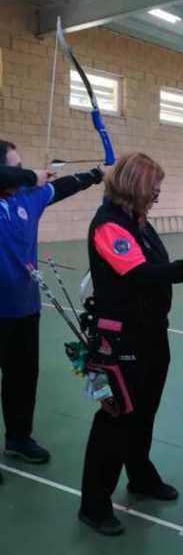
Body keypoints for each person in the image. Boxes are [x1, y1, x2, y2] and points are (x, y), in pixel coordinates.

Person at [79, 152, 183, 535]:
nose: (158, 192)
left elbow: (155, 269)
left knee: (144, 412)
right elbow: (139, 274)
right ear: (134, 184)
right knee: (114, 419)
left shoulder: (139, 222)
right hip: (116, 341)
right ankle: (94, 504)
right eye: (153, 186)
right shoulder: (109, 225)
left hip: (150, 334)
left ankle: (140, 475)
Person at [0, 139, 104, 481]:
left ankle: (18, 438)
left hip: (25, 309)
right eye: (15, 166)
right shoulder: (25, 184)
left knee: (22, 377)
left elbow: (61, 187)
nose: (21, 171)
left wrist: (94, 175)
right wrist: (32, 175)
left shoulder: (27, 198)